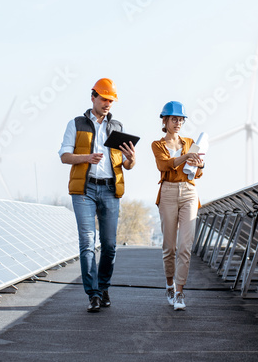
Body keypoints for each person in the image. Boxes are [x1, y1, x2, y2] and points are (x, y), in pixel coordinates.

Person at [59, 78, 136, 313]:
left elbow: (125, 164)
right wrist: (86, 158)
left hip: (111, 190)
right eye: (104, 99)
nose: (107, 104)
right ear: (93, 97)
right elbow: (64, 156)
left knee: (110, 245)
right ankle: (92, 294)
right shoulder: (76, 124)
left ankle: (103, 288)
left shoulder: (118, 127)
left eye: (111, 100)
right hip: (85, 189)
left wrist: (131, 159)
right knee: (87, 243)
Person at [150, 101, 203, 311]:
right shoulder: (157, 145)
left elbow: (197, 173)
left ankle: (180, 292)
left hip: (189, 191)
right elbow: (163, 165)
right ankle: (169, 284)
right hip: (168, 193)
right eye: (174, 119)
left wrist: (199, 165)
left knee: (185, 247)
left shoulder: (190, 142)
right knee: (169, 247)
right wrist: (185, 157)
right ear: (165, 121)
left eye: (181, 119)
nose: (178, 123)